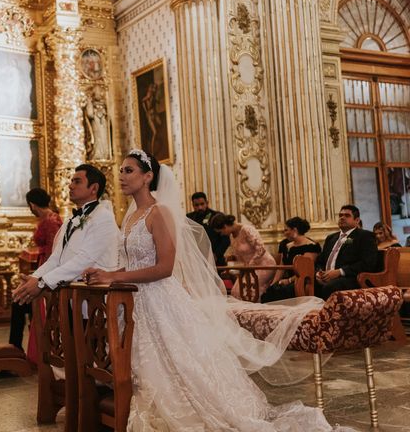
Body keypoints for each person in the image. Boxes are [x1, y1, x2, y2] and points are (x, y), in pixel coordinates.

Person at [84, 149, 338, 431]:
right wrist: (106, 275)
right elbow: (133, 263)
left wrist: (114, 276)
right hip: (134, 300)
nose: (121, 176)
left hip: (159, 299)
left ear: (148, 177)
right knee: (146, 368)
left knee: (182, 369)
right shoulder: (130, 217)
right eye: (120, 170)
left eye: (129, 170)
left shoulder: (159, 213)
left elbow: (164, 268)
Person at [12, 164, 119, 305]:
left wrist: (42, 283)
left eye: (77, 182)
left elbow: (84, 259)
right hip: (71, 297)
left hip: (94, 300)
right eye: (71, 181)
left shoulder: (103, 217)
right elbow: (56, 258)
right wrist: (34, 278)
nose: (70, 186)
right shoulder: (70, 220)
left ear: (94, 188)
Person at [9, 188, 63, 352]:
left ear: (32, 205)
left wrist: (41, 277)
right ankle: (22, 346)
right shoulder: (52, 218)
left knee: (20, 301)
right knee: (25, 304)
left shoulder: (50, 221)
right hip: (43, 265)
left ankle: (17, 347)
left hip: (46, 268)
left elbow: (53, 251)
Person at [315, 205, 378, 300]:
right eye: (340, 215)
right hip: (327, 278)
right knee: (301, 284)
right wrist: (319, 273)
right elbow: (320, 260)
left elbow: (368, 263)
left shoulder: (364, 236)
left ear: (357, 220)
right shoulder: (331, 238)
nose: (342, 217)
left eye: (347, 215)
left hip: (351, 278)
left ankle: (329, 314)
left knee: (331, 286)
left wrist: (339, 272)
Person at [210, 213, 276, 299]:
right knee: (236, 291)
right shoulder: (231, 236)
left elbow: (261, 249)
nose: (221, 234)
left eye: (221, 232)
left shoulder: (247, 230)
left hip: (264, 265)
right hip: (249, 269)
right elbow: (241, 254)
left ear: (225, 226)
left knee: (247, 292)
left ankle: (255, 311)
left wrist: (250, 265)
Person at [261, 217, 321, 303]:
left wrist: (288, 281)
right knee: (269, 292)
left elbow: (305, 271)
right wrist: (273, 283)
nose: (284, 233)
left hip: (304, 281)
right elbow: (281, 267)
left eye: (286, 230)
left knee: (284, 292)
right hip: (288, 280)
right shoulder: (285, 245)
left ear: (295, 230)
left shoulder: (311, 246)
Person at [186, 191, 230, 266]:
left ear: (207, 203)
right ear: (192, 205)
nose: (200, 207)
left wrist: (215, 255)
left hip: (216, 261)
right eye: (196, 205)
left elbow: (226, 240)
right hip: (196, 261)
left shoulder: (217, 216)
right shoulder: (189, 218)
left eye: (202, 204)